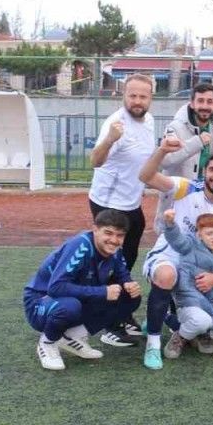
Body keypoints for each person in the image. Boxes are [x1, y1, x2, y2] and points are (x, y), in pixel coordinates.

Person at [137, 146, 213, 370]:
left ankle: (179, 323)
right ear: (204, 171)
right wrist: (162, 151)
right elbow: (146, 176)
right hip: (171, 253)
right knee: (167, 275)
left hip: (198, 268)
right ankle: (153, 344)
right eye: (212, 169)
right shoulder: (186, 187)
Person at [24, 209, 141, 371]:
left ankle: (71, 337)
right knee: (70, 306)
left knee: (130, 297)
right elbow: (56, 288)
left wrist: (129, 284)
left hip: (72, 298)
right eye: (108, 233)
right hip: (40, 303)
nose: (114, 240)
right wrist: (103, 292)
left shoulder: (115, 250)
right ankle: (47, 342)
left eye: (120, 235)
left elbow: (123, 273)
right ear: (95, 229)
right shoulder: (81, 246)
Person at [86, 73, 154, 345]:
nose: (137, 101)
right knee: (112, 264)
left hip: (132, 203)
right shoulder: (115, 124)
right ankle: (108, 325)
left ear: (150, 98)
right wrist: (110, 140)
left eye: (143, 96)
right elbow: (95, 160)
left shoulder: (148, 121)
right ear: (123, 96)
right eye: (132, 95)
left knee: (128, 259)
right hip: (110, 204)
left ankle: (122, 314)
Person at [160, 210, 213, 358]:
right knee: (202, 321)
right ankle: (180, 336)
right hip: (192, 304)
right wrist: (170, 223)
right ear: (199, 235)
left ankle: (201, 334)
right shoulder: (190, 246)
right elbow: (176, 239)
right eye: (209, 233)